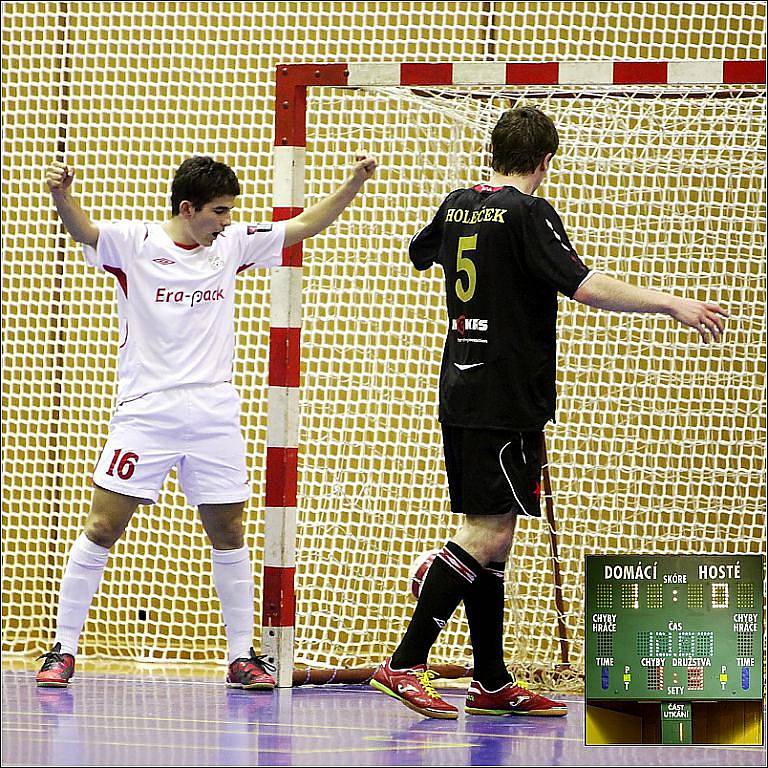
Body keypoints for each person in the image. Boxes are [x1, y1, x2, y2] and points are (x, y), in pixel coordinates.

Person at [370, 106, 728, 719]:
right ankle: (404, 662)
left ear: (494, 153)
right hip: (505, 395)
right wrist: (671, 303)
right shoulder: (529, 212)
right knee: (484, 535)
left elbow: (420, 251)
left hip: (462, 387)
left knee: (496, 540)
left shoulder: (458, 201)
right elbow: (584, 285)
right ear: (545, 161)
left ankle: (491, 680)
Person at [36, 153, 377, 689]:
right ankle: (63, 648)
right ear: (188, 207)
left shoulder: (232, 245)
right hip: (146, 411)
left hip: (215, 414)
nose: (227, 220)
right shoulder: (134, 244)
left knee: (229, 529)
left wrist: (353, 183)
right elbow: (85, 229)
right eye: (219, 211)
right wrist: (61, 194)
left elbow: (302, 225)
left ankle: (242, 656)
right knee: (104, 525)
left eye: (230, 212)